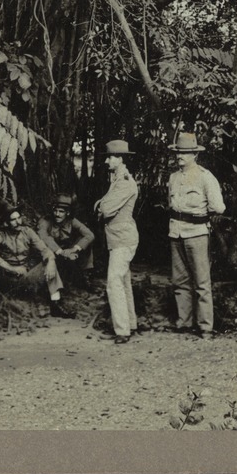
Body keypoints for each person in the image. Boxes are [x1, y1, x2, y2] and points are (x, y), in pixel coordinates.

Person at [166, 132, 225, 339]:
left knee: (201, 281)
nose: (179, 156)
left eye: (185, 153)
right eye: (178, 152)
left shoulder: (204, 177)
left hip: (197, 233)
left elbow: (218, 207)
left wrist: (201, 215)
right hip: (176, 232)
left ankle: (205, 327)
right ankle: (184, 323)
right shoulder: (173, 177)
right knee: (180, 280)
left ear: (195, 155)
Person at [0, 205, 67, 318]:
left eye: (18, 218)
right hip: (6, 278)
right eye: (13, 220)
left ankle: (55, 304)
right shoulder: (0, 234)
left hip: (25, 276)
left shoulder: (27, 231)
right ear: (6, 222)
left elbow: (44, 249)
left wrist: (51, 261)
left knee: (50, 262)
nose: (18, 222)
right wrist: (10, 268)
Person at [96, 139, 140, 344]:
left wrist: (101, 205)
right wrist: (102, 204)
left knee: (114, 282)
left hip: (123, 238)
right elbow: (105, 204)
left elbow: (104, 209)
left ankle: (122, 331)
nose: (107, 161)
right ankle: (130, 324)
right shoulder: (116, 179)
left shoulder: (124, 182)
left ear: (121, 159)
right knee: (123, 282)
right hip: (118, 237)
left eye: (111, 157)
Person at [39, 195, 96, 311]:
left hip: (67, 250)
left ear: (68, 213)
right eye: (55, 210)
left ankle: (86, 277)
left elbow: (90, 235)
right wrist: (60, 251)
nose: (57, 214)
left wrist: (75, 248)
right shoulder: (45, 221)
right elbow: (44, 237)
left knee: (85, 243)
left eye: (61, 211)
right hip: (52, 252)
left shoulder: (72, 221)